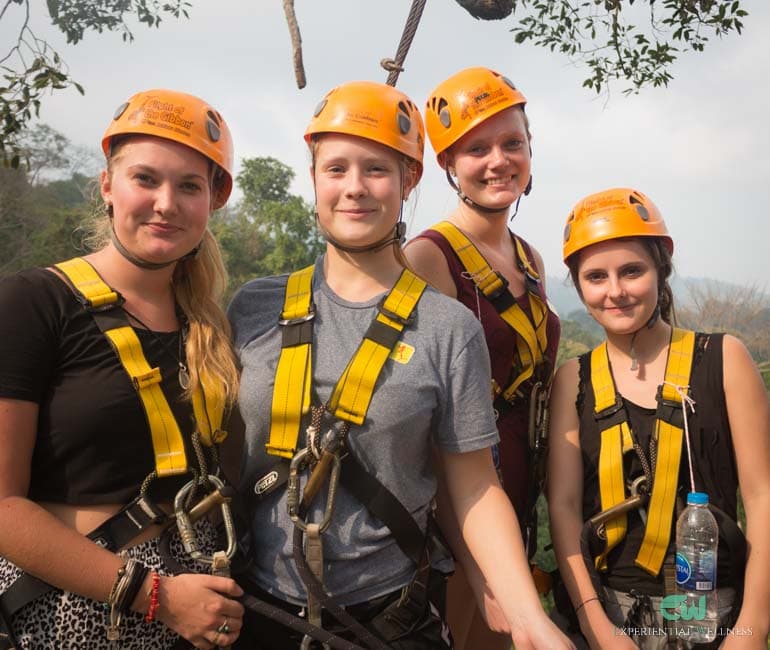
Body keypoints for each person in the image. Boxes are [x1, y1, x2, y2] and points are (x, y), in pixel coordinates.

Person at [228, 80, 573, 650]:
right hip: (261, 606)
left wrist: (527, 613)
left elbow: (474, 486)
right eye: (336, 169)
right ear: (313, 180)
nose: (355, 189)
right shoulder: (255, 308)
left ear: (410, 180)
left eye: (378, 170)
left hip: (390, 613)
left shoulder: (448, 328)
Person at [0, 88, 246, 649]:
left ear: (213, 201)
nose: (166, 203)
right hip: (74, 615)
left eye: (190, 186)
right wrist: (151, 594)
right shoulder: (34, 303)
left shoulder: (208, 326)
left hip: (198, 616)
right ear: (108, 185)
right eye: (146, 179)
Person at [547, 188, 770, 649]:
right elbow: (564, 507)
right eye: (595, 277)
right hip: (611, 611)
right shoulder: (574, 379)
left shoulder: (723, 360)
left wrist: (752, 628)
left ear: (660, 270)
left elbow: (762, 495)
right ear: (579, 285)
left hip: (711, 614)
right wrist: (596, 626)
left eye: (632, 271)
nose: (616, 291)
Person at [405, 66, 560, 650]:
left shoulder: (531, 258)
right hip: (462, 488)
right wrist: (473, 561)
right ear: (447, 164)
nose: (499, 160)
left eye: (512, 143)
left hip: (520, 471)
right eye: (477, 149)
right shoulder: (427, 259)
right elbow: (430, 422)